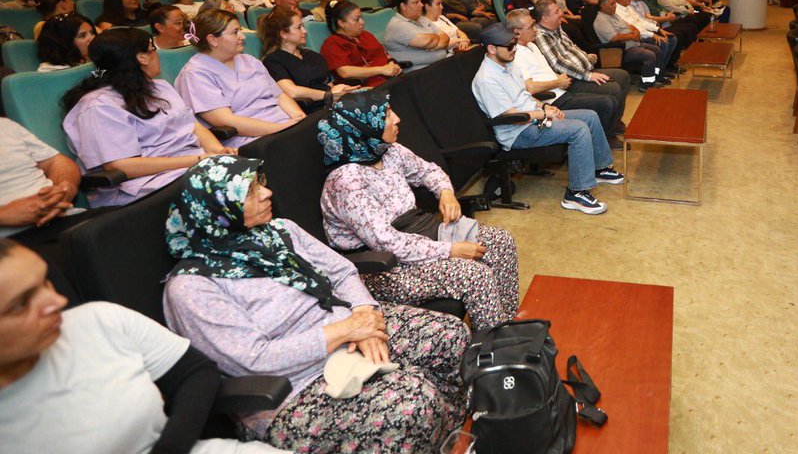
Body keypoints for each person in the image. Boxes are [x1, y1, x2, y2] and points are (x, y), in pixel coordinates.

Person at [162, 156, 470, 453]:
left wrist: (365, 313)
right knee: (414, 403)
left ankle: (453, 435)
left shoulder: (279, 231)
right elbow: (253, 360)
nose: (268, 193)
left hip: (348, 323)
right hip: (291, 387)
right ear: (219, 211)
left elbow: (342, 272)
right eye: (252, 192)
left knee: (450, 336)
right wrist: (346, 330)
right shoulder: (192, 286)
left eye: (262, 183)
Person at [0, 240, 288, 454]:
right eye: (23, 303)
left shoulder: (98, 320)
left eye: (46, 282)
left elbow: (195, 372)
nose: (58, 302)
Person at [319, 93, 519, 331]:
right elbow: (386, 243)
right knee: (475, 275)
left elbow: (428, 171)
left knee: (501, 242)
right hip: (382, 266)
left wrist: (445, 192)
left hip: (419, 232)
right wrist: (450, 251)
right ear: (364, 127)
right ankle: (493, 351)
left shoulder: (389, 151)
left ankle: (504, 326)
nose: (397, 119)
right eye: (386, 115)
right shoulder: (345, 181)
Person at [64, 28, 234, 207]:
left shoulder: (160, 87)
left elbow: (191, 125)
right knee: (234, 188)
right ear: (142, 58)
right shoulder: (99, 105)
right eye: (153, 49)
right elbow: (119, 166)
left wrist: (218, 151)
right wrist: (199, 160)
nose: (157, 54)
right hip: (145, 185)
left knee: (248, 173)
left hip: (189, 168)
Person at [472, 25, 624, 215]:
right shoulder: (487, 79)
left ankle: (598, 168)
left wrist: (544, 106)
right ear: (492, 49)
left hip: (532, 118)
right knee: (578, 129)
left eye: (514, 43)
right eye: (509, 46)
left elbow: (524, 97)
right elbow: (511, 117)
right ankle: (575, 193)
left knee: (590, 116)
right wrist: (544, 115)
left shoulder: (509, 64)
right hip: (518, 133)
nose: (514, 48)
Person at [175, 9, 304, 148]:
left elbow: (279, 95)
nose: (243, 36)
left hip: (285, 126)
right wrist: (281, 128)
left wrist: (300, 119)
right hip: (250, 139)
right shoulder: (195, 74)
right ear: (213, 40)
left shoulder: (249, 61)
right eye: (235, 32)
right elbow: (226, 121)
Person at [505, 9, 622, 141]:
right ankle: (604, 140)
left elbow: (546, 71)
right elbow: (530, 88)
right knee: (606, 102)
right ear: (517, 32)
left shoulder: (531, 45)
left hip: (561, 89)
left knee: (610, 98)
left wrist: (559, 78)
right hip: (551, 99)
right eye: (531, 26)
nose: (535, 29)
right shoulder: (516, 54)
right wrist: (557, 82)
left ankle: (603, 136)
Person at [259, 8, 356, 112]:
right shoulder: (273, 61)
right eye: (299, 27)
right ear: (283, 34)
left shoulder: (311, 55)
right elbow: (292, 92)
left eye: (303, 26)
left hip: (333, 104)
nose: (305, 31)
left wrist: (340, 92)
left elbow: (328, 84)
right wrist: (329, 95)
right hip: (312, 111)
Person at [594, 0, 670, 91]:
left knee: (657, 50)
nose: (615, 6)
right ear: (603, 6)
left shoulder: (614, 15)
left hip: (634, 44)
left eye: (614, 3)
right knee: (649, 55)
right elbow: (614, 38)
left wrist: (636, 31)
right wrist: (631, 36)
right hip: (621, 50)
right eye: (612, 4)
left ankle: (655, 78)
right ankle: (645, 86)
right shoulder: (601, 20)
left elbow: (629, 25)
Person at [320, 0, 401, 88]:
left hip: (392, 79)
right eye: (356, 19)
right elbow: (345, 72)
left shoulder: (366, 35)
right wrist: (381, 70)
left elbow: (386, 55)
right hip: (368, 87)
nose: (362, 22)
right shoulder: (332, 44)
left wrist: (392, 64)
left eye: (361, 17)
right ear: (341, 23)